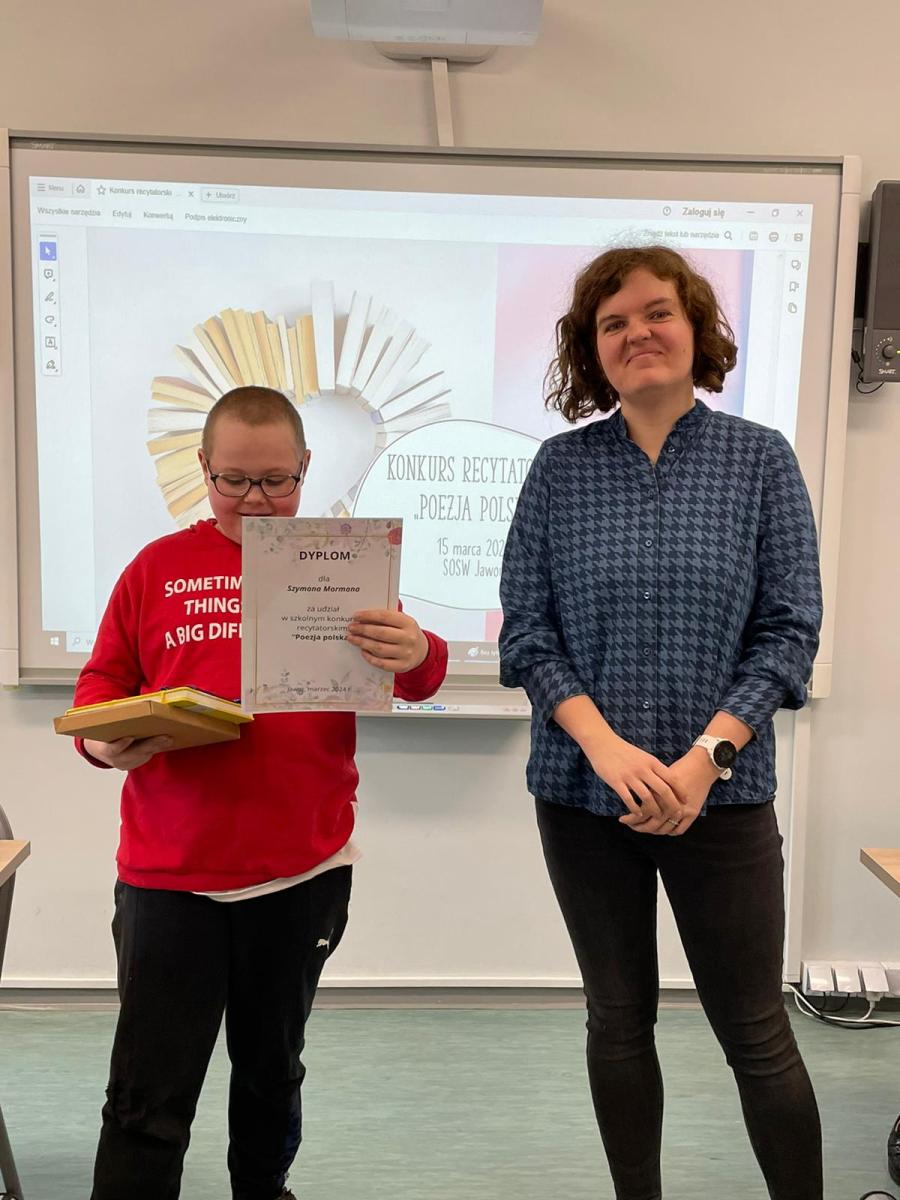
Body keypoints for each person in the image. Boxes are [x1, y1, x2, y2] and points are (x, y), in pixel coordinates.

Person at [498, 246, 823, 1200]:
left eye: (656, 313)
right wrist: (604, 749)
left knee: (756, 1033)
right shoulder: (559, 471)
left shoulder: (760, 460)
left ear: (695, 329)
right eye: (613, 323)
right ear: (591, 350)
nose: (637, 333)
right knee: (617, 1020)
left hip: (722, 799)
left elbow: (790, 630)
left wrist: (704, 760)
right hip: (582, 800)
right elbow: (527, 631)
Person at [74, 385, 448, 1200]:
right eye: (233, 481)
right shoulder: (155, 568)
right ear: (203, 468)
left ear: (306, 468)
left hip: (300, 872)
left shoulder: (342, 563)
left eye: (277, 481)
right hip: (170, 877)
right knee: (147, 1091)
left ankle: (263, 1188)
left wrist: (418, 649)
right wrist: (104, 741)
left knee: (271, 1074)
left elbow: (419, 675)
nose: (254, 500)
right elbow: (99, 691)